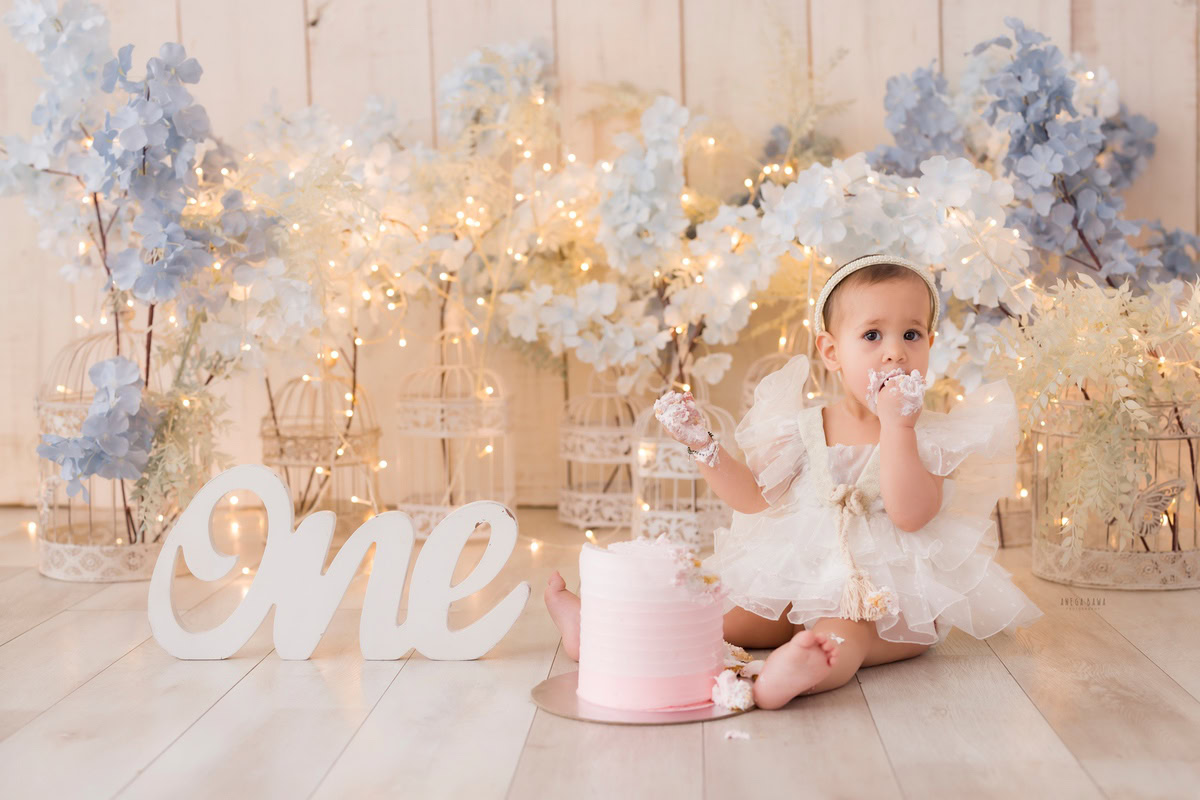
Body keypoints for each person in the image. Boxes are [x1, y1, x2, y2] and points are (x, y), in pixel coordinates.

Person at [545, 254, 1043, 709]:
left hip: (883, 602)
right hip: (797, 582)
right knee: (718, 620)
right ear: (831, 351)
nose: (895, 353)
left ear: (930, 345)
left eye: (911, 335)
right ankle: (589, 633)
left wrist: (900, 428)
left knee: (844, 632)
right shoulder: (803, 426)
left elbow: (910, 514)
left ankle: (795, 673)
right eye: (872, 336)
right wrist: (702, 444)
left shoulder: (928, 434)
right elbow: (754, 500)